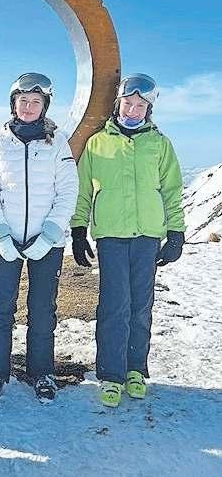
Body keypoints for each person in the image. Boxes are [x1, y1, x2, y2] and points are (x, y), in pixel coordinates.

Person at [70, 73, 185, 408]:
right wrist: (78, 230)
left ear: (148, 109)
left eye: (140, 105)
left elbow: (172, 190)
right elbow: (82, 190)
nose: (133, 110)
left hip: (147, 235)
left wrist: (176, 233)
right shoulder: (97, 143)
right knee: (114, 305)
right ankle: (111, 374)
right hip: (111, 236)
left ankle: (135, 369)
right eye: (128, 103)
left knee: (141, 305)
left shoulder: (159, 144)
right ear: (118, 103)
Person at [0, 73, 79, 404]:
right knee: (0, 307)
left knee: (42, 309)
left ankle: (42, 373)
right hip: (6, 239)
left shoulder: (57, 142)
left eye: (36, 101)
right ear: (14, 104)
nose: (29, 107)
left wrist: (49, 234)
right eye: (23, 101)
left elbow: (68, 190)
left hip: (47, 241)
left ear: (44, 106)